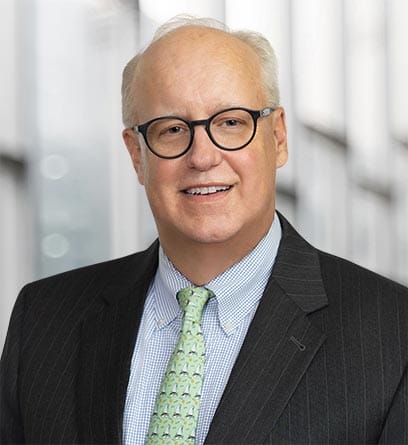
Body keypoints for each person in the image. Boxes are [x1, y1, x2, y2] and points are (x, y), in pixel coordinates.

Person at [1, 15, 407, 445]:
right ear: (137, 155)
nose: (202, 156)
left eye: (231, 122)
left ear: (278, 137)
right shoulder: (43, 321)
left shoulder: (393, 334)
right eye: (172, 130)